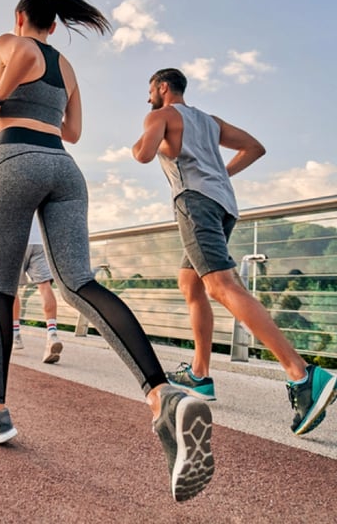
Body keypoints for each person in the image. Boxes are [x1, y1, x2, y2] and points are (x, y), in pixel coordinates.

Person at [0, 0, 214, 502]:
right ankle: (162, 395)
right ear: (56, 25)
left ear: (20, 18)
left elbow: (9, 75)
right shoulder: (69, 68)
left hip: (16, 160)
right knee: (79, 282)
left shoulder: (12, 42)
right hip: (65, 169)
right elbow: (74, 131)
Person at [132, 67, 337, 435]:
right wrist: (220, 173)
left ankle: (303, 374)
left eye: (150, 90)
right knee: (190, 284)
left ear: (163, 87)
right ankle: (200, 373)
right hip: (223, 204)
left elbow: (142, 155)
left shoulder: (160, 115)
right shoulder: (210, 121)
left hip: (194, 203)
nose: (148, 97)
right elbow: (255, 147)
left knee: (221, 286)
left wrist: (152, 137)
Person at [12, 213, 64, 364]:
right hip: (40, 242)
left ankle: (15, 335)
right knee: (45, 287)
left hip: (18, 240)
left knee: (11, 288)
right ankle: (52, 333)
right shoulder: (39, 189)